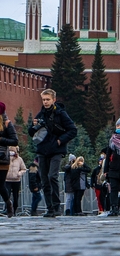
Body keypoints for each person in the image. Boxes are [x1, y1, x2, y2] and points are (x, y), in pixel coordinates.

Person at [28, 89, 78, 218]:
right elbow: (32, 133)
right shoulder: (40, 115)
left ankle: (56, 207)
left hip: (56, 150)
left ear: (53, 100)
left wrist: (60, 140)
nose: (45, 102)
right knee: (44, 180)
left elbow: (73, 130)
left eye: (47, 99)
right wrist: (33, 126)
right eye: (44, 99)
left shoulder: (61, 114)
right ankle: (49, 208)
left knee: (52, 177)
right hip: (42, 150)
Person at [0, 104, 17, 216]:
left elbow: (14, 141)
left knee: (0, 185)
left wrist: (1, 139)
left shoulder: (7, 124)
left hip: (1, 159)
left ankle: (8, 203)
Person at [6, 146, 26, 217]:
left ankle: (14, 209)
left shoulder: (19, 159)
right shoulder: (5, 157)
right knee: (6, 195)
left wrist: (19, 174)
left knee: (16, 196)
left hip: (16, 180)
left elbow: (24, 169)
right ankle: (7, 209)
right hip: (7, 179)